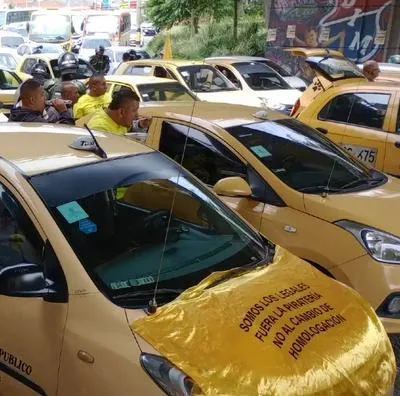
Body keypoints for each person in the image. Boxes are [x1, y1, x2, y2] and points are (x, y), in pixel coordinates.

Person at [9, 79, 74, 124]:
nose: (45, 98)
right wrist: (63, 111)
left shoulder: (15, 114)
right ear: (32, 100)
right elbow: (66, 132)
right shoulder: (37, 123)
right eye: (42, 95)